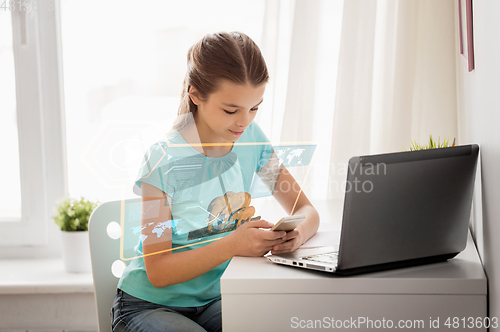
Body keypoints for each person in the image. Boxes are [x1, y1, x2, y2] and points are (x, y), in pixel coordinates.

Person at [111, 31, 319, 332]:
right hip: (149, 305)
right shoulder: (162, 160)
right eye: (231, 110)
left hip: (220, 297)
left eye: (254, 107)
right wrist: (233, 244)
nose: (244, 121)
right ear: (196, 95)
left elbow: (307, 211)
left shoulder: (253, 140)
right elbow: (158, 271)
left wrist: (296, 235)